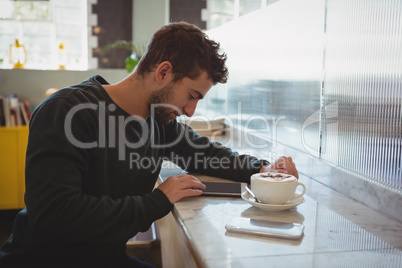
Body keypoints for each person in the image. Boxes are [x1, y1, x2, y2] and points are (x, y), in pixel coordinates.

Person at [0, 22, 298, 267]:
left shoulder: (158, 122)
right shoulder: (67, 110)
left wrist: (263, 170)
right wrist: (158, 200)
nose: (191, 110)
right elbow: (55, 216)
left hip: (104, 258)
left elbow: (204, 153)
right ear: (163, 72)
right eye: (192, 95)